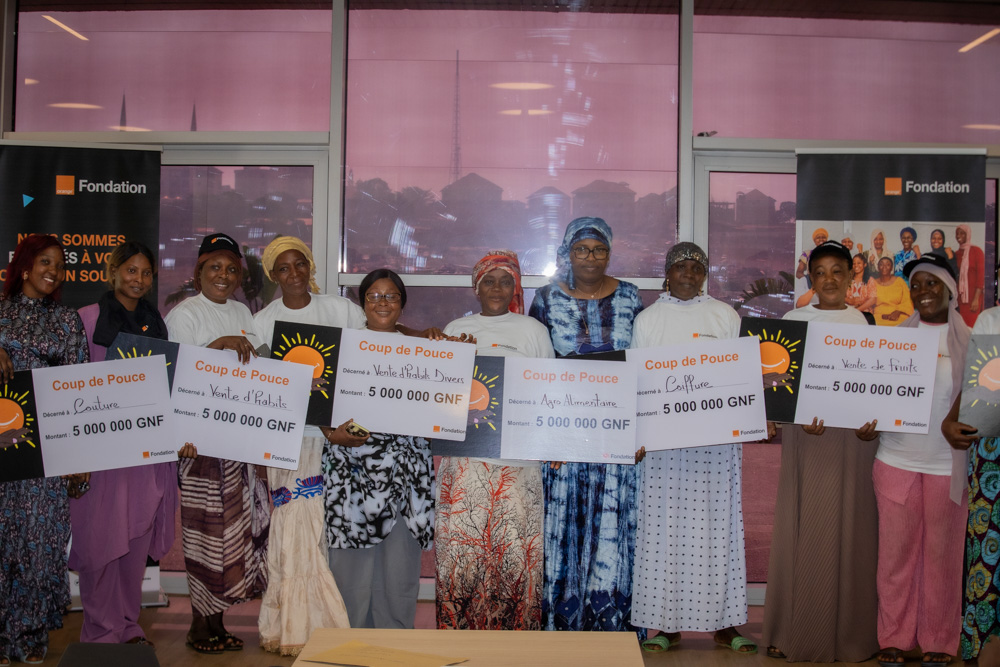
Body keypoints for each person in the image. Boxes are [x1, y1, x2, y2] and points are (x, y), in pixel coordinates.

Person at [630, 243, 755, 655]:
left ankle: (726, 624)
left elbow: (742, 380)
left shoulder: (724, 316)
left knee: (719, 531)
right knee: (664, 534)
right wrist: (638, 436)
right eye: (679, 267)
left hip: (715, 445)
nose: (687, 273)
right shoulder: (648, 320)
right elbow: (637, 382)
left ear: (705, 275)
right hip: (663, 447)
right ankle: (665, 626)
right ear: (667, 273)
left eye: (695, 267)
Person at [762, 241, 880, 663]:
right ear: (809, 277)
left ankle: (850, 636)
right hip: (806, 438)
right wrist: (780, 410)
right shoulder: (792, 321)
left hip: (854, 441)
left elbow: (876, 389)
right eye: (820, 272)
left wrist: (874, 425)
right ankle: (793, 631)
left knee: (852, 531)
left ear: (852, 277)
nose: (829, 280)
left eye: (838, 272)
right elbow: (775, 385)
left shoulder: (867, 324)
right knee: (803, 525)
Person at [528, 216, 644, 632]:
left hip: (616, 433)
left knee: (612, 521)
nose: (590, 257)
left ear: (609, 253)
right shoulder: (544, 298)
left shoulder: (631, 297)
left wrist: (643, 428)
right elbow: (535, 365)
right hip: (564, 432)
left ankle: (611, 622)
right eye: (581, 249)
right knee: (565, 521)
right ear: (567, 253)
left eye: (598, 249)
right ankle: (563, 620)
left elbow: (643, 366)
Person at [72, 241, 190, 648]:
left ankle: (127, 625)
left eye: (145, 273)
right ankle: (101, 631)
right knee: (101, 542)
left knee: (135, 542)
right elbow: (70, 388)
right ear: (113, 271)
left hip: (146, 452)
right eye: (130, 271)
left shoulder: (156, 323)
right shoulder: (87, 320)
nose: (138, 280)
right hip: (101, 453)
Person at [435, 250, 555, 630]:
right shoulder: (456, 328)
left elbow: (548, 392)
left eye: (506, 280)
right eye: (489, 280)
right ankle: (461, 638)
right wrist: (457, 354)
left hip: (518, 461)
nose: (498, 288)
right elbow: (442, 398)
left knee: (515, 551)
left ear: (515, 286)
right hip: (467, 461)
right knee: (463, 549)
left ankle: (516, 641)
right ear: (476, 287)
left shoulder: (532, 331)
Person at [164, 233, 270, 655]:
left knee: (234, 537)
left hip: (239, 441)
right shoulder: (184, 315)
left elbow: (260, 366)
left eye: (231, 269)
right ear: (198, 272)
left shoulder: (244, 311)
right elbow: (176, 377)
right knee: (205, 534)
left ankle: (217, 622)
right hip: (199, 444)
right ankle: (197, 625)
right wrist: (218, 346)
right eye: (214, 268)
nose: (223, 275)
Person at [253, 236, 352, 655]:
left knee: (325, 531)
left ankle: (325, 619)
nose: (292, 275)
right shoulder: (263, 321)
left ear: (310, 267)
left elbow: (372, 357)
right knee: (295, 528)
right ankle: (297, 625)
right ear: (272, 275)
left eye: (299, 265)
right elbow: (259, 385)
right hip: (290, 442)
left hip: (340, 438)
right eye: (283, 268)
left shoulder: (341, 309)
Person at [323, 269, 435, 629]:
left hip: (406, 471)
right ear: (362, 302)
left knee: (399, 566)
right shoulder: (342, 346)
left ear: (402, 303)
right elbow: (319, 400)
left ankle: (395, 643)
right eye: (374, 295)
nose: (382, 302)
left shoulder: (426, 350)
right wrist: (331, 433)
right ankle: (348, 644)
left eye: (391, 296)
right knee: (350, 570)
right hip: (352, 469)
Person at [873, 254, 969, 667]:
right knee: (894, 558)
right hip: (895, 459)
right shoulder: (894, 340)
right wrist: (867, 422)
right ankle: (894, 638)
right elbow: (871, 397)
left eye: (932, 284)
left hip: (949, 468)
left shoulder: (972, 342)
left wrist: (960, 417)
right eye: (916, 285)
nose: (923, 292)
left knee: (943, 561)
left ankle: (939, 642)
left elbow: (987, 398)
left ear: (950, 289)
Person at [0, 235, 89, 665]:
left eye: (60, 264)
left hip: (45, 452)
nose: (53, 270)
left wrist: (79, 459)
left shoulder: (68, 321)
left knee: (40, 544)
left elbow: (80, 389)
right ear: (23, 266)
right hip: (0, 449)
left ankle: (31, 634)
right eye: (45, 261)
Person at [942, 303, 1000, 662]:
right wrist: (952, 419)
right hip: (992, 449)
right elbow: (978, 378)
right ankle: (986, 646)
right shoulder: (991, 319)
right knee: (989, 547)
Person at [954, 224, 984, 327]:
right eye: (957, 233)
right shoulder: (956, 254)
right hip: (960, 298)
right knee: (962, 327)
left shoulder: (976, 251)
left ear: (968, 234)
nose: (959, 235)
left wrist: (976, 298)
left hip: (973, 297)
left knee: (971, 326)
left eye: (962, 233)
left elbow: (981, 276)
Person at [874, 256, 913, 326]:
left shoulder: (899, 281)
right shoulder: (873, 283)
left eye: (888, 264)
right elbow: (868, 302)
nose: (884, 267)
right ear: (878, 268)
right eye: (881, 264)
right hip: (878, 317)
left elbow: (908, 301)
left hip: (898, 315)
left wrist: (898, 312)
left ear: (892, 268)